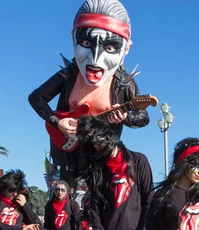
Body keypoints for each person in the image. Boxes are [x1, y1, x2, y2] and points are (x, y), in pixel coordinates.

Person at [28, 0, 149, 187]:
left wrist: (125, 117)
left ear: (126, 49)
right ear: (73, 39)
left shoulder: (124, 83)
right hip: (66, 154)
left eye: (110, 47)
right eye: (86, 43)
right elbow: (36, 97)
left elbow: (143, 117)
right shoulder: (68, 75)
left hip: (102, 156)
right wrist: (57, 122)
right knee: (65, 202)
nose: (95, 58)